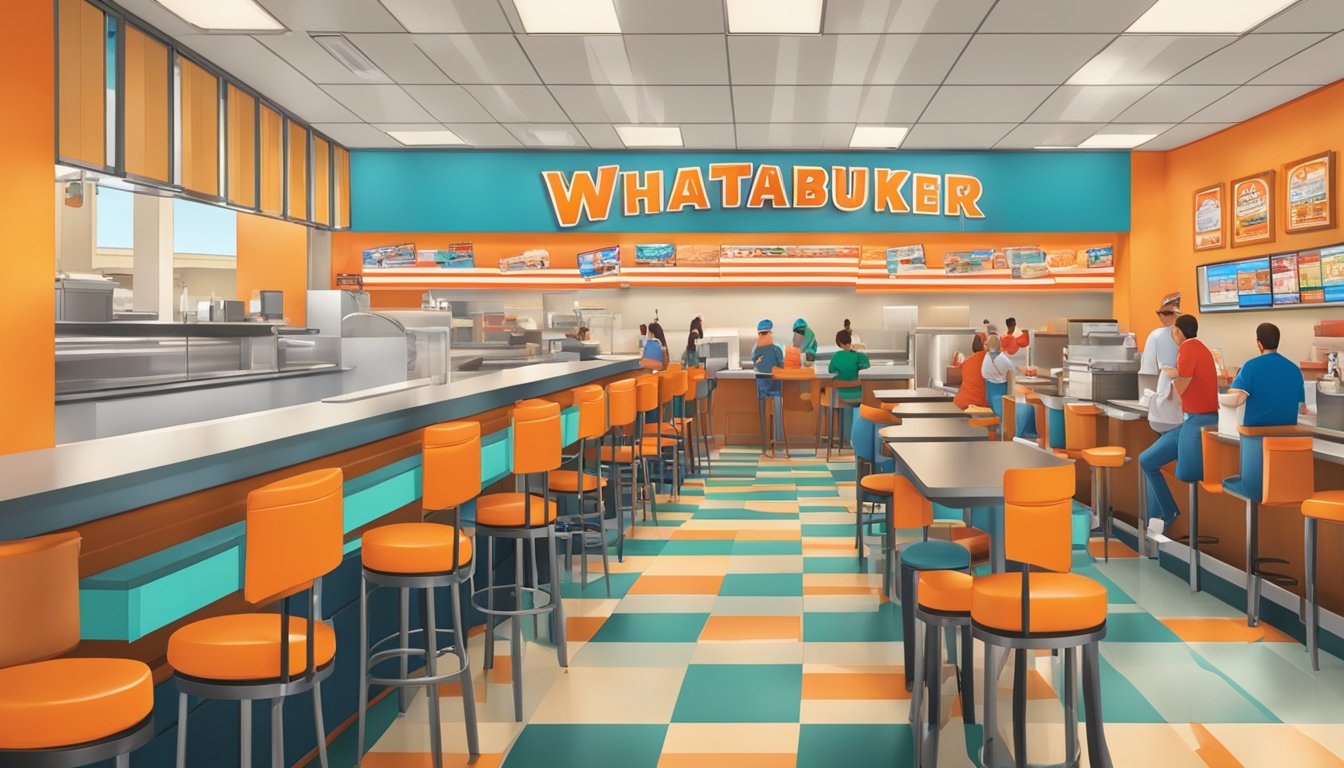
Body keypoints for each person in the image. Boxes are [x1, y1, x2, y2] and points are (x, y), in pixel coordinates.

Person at [1141, 314, 1218, 537]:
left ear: (1179, 332)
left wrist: (1168, 379)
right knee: (1148, 461)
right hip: (1196, 422)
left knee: (1148, 461)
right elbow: (1189, 378)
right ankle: (1166, 514)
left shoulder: (1186, 349)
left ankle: (1168, 512)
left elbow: (1182, 387)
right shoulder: (1202, 349)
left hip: (1194, 424)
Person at [752, 320, 785, 449]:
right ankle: (778, 440)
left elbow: (755, 364)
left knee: (763, 413)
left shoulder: (755, 349)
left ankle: (764, 442)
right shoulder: (777, 349)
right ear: (770, 333)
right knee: (777, 411)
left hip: (761, 387)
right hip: (776, 386)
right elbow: (781, 365)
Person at [828, 329, 870, 402]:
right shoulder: (861, 356)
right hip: (860, 395)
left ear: (839, 343)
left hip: (841, 396)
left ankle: (834, 412)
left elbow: (831, 370)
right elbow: (867, 369)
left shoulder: (836, 356)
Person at [981, 334, 1016, 420]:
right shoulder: (990, 356)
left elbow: (1011, 376)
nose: (985, 343)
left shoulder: (998, 359)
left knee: (998, 413)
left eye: (987, 342)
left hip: (997, 388)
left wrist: (1010, 397)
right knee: (996, 413)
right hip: (993, 387)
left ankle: (1000, 430)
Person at [953, 336, 989, 410]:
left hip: (961, 405)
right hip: (980, 406)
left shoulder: (968, 361)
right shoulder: (991, 360)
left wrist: (955, 362)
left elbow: (955, 375)